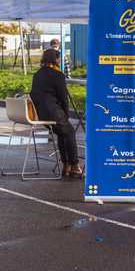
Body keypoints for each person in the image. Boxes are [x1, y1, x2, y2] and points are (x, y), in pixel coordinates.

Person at [30, 48, 82, 178]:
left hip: (40, 113)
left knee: (61, 133)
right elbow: (64, 98)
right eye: (59, 58)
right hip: (52, 113)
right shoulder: (58, 75)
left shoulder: (37, 74)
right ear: (56, 59)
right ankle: (74, 166)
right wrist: (65, 114)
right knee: (69, 132)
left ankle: (66, 165)